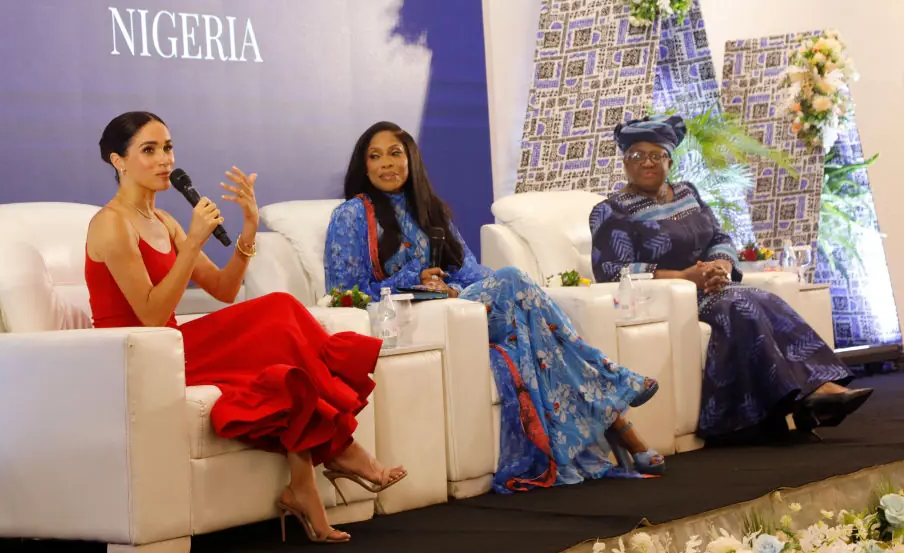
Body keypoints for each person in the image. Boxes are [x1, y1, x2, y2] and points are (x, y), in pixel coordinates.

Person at [84, 111, 406, 544]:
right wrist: (194, 241)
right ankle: (340, 451)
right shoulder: (110, 223)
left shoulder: (165, 222)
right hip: (136, 354)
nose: (165, 160)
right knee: (278, 314)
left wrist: (249, 228)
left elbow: (223, 288)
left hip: (169, 345)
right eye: (149, 150)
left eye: (167, 148)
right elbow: (147, 312)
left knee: (282, 323)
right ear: (117, 161)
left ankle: (305, 486)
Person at [323, 121, 666, 492]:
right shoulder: (353, 215)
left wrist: (451, 289)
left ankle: (619, 420)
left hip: (458, 309)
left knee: (527, 321)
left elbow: (469, 269)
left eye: (395, 154)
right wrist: (411, 280)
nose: (386, 164)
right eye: (375, 156)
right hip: (411, 318)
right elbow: (346, 291)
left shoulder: (430, 209)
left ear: (411, 160)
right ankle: (616, 401)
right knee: (512, 279)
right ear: (364, 164)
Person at [589, 115, 873, 445]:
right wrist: (684, 277)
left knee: (765, 299)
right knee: (742, 305)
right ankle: (807, 397)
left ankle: (812, 393)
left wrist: (721, 265)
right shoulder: (611, 210)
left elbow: (720, 236)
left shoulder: (686, 193)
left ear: (670, 159)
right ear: (624, 162)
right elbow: (611, 271)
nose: (647, 163)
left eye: (656, 155)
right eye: (637, 156)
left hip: (715, 285)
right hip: (666, 298)